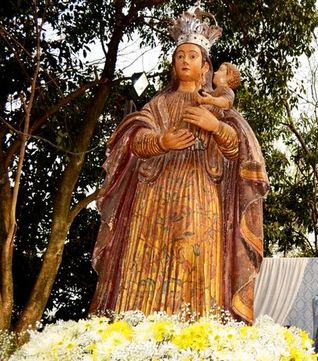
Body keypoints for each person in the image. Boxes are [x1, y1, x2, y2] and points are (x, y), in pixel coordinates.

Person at [89, 4, 268, 324]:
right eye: (180, 55)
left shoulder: (214, 104)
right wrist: (161, 142)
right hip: (154, 199)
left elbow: (236, 152)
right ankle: (134, 332)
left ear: (205, 66)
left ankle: (198, 330)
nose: (185, 60)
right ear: (173, 65)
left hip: (200, 196)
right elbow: (134, 138)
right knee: (145, 261)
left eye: (193, 56)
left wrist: (214, 127)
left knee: (194, 257)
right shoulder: (158, 103)